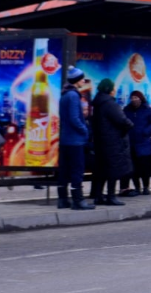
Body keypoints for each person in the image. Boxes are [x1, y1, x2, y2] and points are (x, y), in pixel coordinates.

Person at [91, 78, 134, 206]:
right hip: (112, 141)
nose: (115, 90)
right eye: (113, 87)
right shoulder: (110, 104)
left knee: (101, 170)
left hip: (100, 141)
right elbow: (122, 120)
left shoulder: (98, 103)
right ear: (109, 89)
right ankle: (111, 196)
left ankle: (98, 196)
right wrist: (130, 125)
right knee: (113, 170)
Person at [57, 66, 95, 210]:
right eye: (82, 78)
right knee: (77, 170)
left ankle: (62, 199)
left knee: (65, 170)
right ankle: (78, 201)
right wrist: (84, 130)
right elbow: (74, 118)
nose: (84, 81)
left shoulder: (65, 94)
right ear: (77, 80)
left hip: (65, 139)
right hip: (75, 140)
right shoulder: (73, 95)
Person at [122, 91, 151, 195]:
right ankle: (137, 187)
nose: (134, 100)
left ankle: (145, 187)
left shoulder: (147, 110)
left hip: (144, 143)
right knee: (133, 168)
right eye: (132, 98)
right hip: (131, 142)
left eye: (136, 98)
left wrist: (146, 131)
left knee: (144, 167)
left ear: (141, 99)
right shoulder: (127, 110)